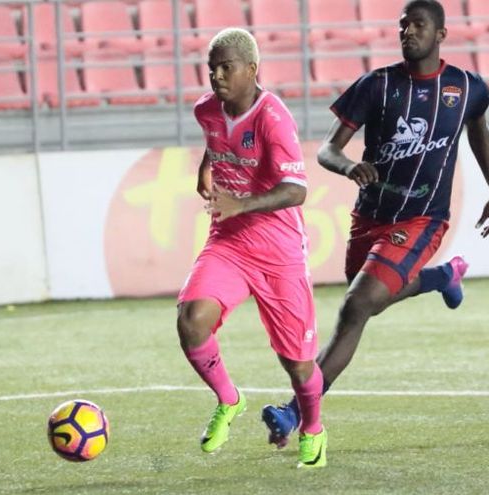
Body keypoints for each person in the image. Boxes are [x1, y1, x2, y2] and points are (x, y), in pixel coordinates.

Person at [261, 0, 489, 448]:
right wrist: (349, 166)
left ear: (441, 34)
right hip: (369, 217)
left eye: (418, 25)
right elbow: (328, 149)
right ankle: (441, 277)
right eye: (403, 25)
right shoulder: (377, 85)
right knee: (371, 297)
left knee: (356, 306)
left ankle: (294, 412)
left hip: (423, 218)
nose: (408, 31)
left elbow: (478, 129)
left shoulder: (466, 87)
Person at [176, 27, 328, 468]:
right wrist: (206, 167)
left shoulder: (273, 118)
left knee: (297, 364)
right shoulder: (206, 110)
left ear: (252, 69)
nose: (217, 76)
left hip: (279, 251)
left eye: (227, 68)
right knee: (191, 320)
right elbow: (217, 139)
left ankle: (313, 429)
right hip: (229, 241)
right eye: (212, 69)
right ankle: (229, 399)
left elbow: (297, 189)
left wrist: (241, 203)